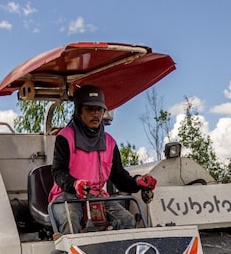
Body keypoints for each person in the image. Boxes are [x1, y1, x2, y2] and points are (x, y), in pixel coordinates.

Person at [49, 84, 157, 234]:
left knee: (127, 220)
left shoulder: (110, 142)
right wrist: (75, 184)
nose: (96, 114)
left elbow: (119, 177)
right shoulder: (65, 138)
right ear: (79, 111)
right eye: (90, 109)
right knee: (70, 219)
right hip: (66, 196)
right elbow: (58, 172)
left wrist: (137, 182)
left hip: (97, 198)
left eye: (99, 109)